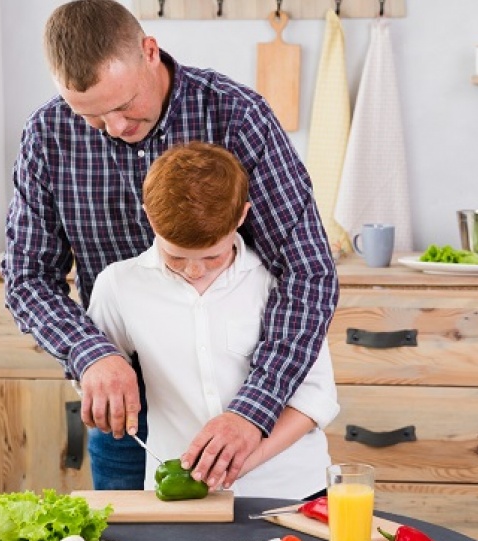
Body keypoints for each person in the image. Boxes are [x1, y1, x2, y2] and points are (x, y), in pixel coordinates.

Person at [1, 0, 338, 490]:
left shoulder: (236, 116)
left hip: (241, 388)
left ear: (150, 52)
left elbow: (307, 270)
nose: (115, 128)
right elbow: (28, 279)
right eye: (91, 116)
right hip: (124, 412)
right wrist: (91, 352)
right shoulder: (47, 135)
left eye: (124, 105)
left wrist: (254, 409)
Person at [87, 141, 338, 498]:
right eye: (176, 257)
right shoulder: (118, 285)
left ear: (241, 216)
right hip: (178, 496)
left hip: (291, 489)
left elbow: (315, 396)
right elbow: (99, 381)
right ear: (149, 217)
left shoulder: (278, 283)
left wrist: (241, 462)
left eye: (212, 257)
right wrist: (99, 386)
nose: (194, 270)